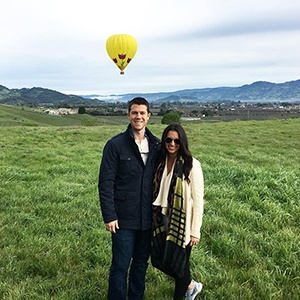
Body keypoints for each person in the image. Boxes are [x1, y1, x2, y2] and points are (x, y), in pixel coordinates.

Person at [98, 97, 160, 300]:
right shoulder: (115, 145)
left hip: (147, 218)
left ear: (149, 116)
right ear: (128, 115)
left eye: (142, 113)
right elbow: (105, 182)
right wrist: (109, 215)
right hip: (123, 219)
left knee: (141, 264)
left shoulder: (157, 145)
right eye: (134, 112)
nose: (138, 116)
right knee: (120, 265)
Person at [151, 123, 204, 300]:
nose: (172, 144)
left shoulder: (191, 165)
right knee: (159, 261)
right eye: (168, 140)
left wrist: (195, 231)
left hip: (182, 225)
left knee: (180, 265)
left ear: (182, 142)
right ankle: (191, 285)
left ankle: (183, 294)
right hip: (161, 219)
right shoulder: (160, 162)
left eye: (176, 141)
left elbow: (198, 200)